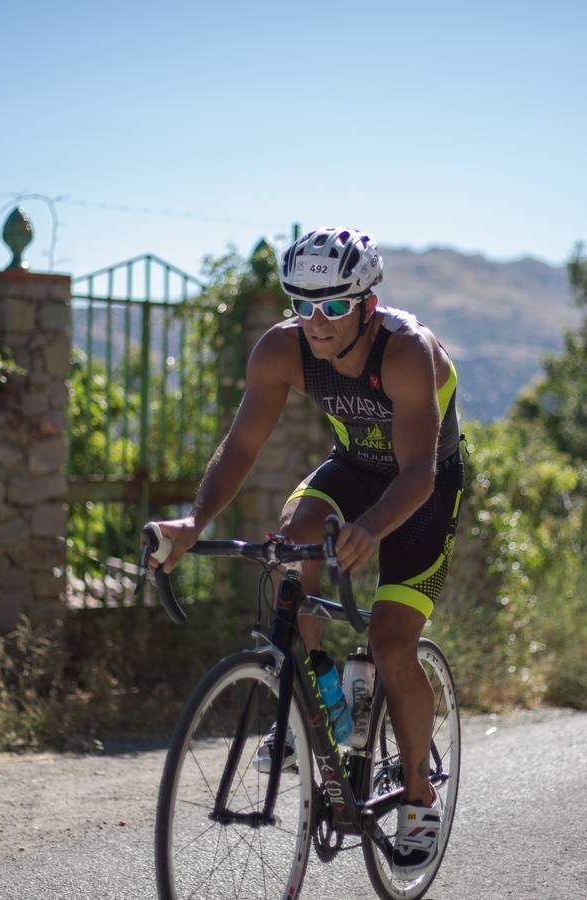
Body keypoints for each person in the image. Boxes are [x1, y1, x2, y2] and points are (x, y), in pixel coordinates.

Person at [147, 225, 463, 874]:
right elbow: (241, 445)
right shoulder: (281, 350)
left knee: (391, 643)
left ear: (367, 305)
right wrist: (193, 520)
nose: (317, 322)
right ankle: (317, 693)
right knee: (290, 543)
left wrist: (371, 529)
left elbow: (419, 474)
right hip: (353, 466)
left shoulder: (409, 354)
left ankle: (419, 793)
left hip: (421, 483)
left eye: (335, 307)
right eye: (304, 304)